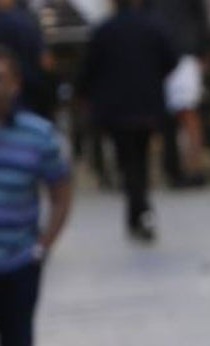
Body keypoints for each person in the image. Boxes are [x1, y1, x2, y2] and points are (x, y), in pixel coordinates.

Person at [0, 44, 71, 346]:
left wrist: (43, 245)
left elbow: (61, 191)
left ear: (16, 84)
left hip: (19, 265)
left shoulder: (38, 135)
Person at [76, 0, 177, 241]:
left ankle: (139, 211)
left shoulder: (105, 30)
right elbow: (170, 59)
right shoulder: (153, 26)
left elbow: (88, 69)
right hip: (146, 106)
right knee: (137, 160)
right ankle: (140, 211)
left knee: (129, 160)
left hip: (117, 109)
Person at [153, 0, 210, 187]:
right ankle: (180, 167)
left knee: (187, 113)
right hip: (171, 52)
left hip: (180, 52)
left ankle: (193, 167)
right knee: (181, 115)